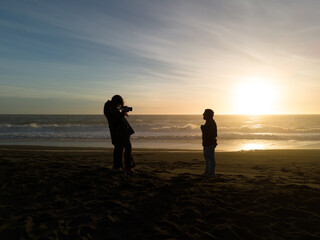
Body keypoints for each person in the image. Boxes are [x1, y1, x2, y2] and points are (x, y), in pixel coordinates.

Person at [104, 95, 135, 175]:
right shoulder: (111, 109)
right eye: (120, 103)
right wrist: (123, 111)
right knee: (127, 148)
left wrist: (122, 111)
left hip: (117, 132)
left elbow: (117, 118)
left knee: (119, 149)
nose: (120, 105)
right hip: (120, 132)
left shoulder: (110, 108)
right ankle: (127, 168)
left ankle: (117, 167)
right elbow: (118, 120)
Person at [201, 109, 217, 177]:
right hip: (208, 143)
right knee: (208, 158)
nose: (203, 114)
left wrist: (203, 129)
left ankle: (211, 172)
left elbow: (212, 134)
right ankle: (208, 171)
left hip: (209, 143)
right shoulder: (209, 122)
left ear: (208, 115)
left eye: (204, 113)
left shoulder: (210, 122)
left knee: (210, 158)